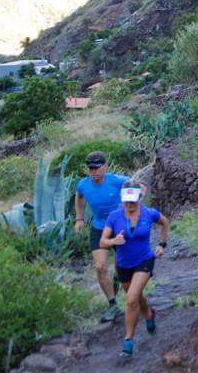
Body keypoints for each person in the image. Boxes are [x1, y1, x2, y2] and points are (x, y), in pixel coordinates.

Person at [101, 181, 169, 359]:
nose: (129, 205)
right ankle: (148, 315)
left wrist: (162, 245)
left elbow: (164, 223)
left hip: (144, 261)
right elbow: (103, 242)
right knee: (137, 296)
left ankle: (128, 340)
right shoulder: (114, 217)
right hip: (123, 265)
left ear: (140, 198)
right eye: (126, 201)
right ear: (122, 199)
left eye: (132, 201)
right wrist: (113, 241)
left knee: (131, 299)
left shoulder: (149, 213)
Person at [73, 151, 129, 322]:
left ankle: (117, 279)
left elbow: (136, 185)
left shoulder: (117, 181)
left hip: (118, 227)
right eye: (90, 169)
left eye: (97, 168)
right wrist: (79, 218)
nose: (93, 172)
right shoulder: (83, 185)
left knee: (122, 267)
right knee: (100, 266)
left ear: (104, 167)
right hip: (98, 228)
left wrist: (134, 209)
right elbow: (79, 198)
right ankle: (113, 305)